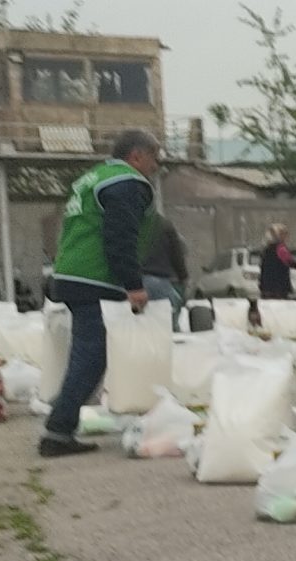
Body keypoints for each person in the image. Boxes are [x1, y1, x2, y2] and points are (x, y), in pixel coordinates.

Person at [39, 129, 161, 458]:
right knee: (91, 357)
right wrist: (134, 284)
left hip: (71, 273)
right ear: (137, 155)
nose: (156, 166)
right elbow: (120, 236)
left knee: (86, 353)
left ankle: (61, 422)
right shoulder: (127, 183)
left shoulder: (94, 177)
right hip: (95, 278)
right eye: (154, 157)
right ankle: (57, 431)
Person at [140, 212, 187, 313]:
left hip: (134, 284)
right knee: (169, 317)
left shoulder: (127, 223)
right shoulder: (165, 224)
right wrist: (183, 277)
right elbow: (177, 254)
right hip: (161, 282)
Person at [259, 224, 296, 301]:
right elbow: (290, 262)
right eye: (284, 234)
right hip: (279, 288)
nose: (286, 237)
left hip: (266, 287)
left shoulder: (266, 250)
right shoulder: (280, 249)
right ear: (278, 236)